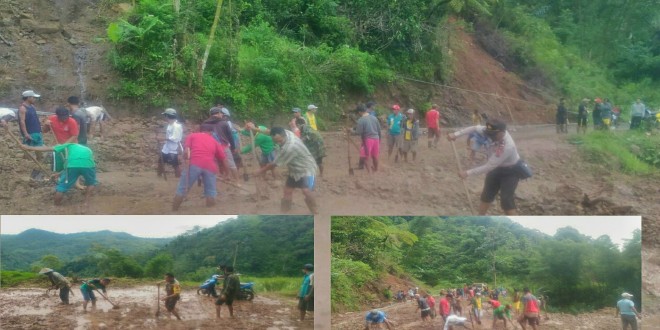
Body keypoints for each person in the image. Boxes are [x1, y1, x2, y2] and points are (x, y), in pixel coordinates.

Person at [448, 119, 522, 215]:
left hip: (510, 172)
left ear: (502, 133)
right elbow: (474, 128)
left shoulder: (508, 146)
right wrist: (456, 134)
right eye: (489, 133)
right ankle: (480, 219)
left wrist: (467, 173)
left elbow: (489, 166)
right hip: (496, 169)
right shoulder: (491, 131)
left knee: (506, 201)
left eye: (492, 135)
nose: (489, 136)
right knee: (486, 196)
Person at [256, 127, 319, 213]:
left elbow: (274, 164)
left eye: (279, 141)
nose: (277, 143)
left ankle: (314, 211)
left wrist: (260, 171)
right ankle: (284, 212)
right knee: (287, 191)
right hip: (294, 169)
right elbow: (269, 131)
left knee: (306, 190)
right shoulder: (286, 132)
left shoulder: (289, 147)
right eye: (275, 140)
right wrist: (254, 129)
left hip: (306, 168)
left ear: (283, 136)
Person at [19, 142, 98, 207]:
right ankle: (86, 203)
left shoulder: (68, 145)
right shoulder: (86, 149)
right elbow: (81, 164)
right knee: (91, 183)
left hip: (72, 165)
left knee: (62, 187)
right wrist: (58, 174)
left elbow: (47, 149)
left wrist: (28, 147)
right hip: (89, 164)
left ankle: (56, 206)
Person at [172, 123, 229, 211]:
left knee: (182, 188)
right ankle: (210, 210)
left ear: (200, 130)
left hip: (194, 164)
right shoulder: (215, 141)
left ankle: (174, 211)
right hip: (210, 167)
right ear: (211, 132)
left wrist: (185, 159)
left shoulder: (192, 136)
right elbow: (224, 159)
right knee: (211, 192)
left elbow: (186, 152)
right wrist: (227, 173)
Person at [204, 107, 239, 182]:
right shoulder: (223, 123)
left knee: (215, 163)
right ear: (218, 114)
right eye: (221, 113)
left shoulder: (205, 124)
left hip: (211, 148)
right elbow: (230, 136)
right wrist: (233, 147)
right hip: (223, 146)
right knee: (230, 163)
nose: (222, 115)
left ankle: (219, 178)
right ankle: (237, 181)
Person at [356, 105, 381, 173]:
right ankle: (376, 170)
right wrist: (379, 140)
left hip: (367, 139)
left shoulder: (361, 120)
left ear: (360, 112)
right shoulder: (374, 118)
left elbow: (358, 132)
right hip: (376, 138)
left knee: (364, 156)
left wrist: (351, 131)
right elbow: (379, 130)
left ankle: (369, 172)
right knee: (375, 156)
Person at [159, 108, 183, 178]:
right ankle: (159, 176)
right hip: (167, 147)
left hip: (173, 148)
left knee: (175, 165)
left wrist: (163, 138)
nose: (165, 117)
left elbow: (175, 138)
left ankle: (178, 179)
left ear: (167, 116)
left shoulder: (177, 126)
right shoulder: (170, 124)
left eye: (165, 116)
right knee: (160, 161)